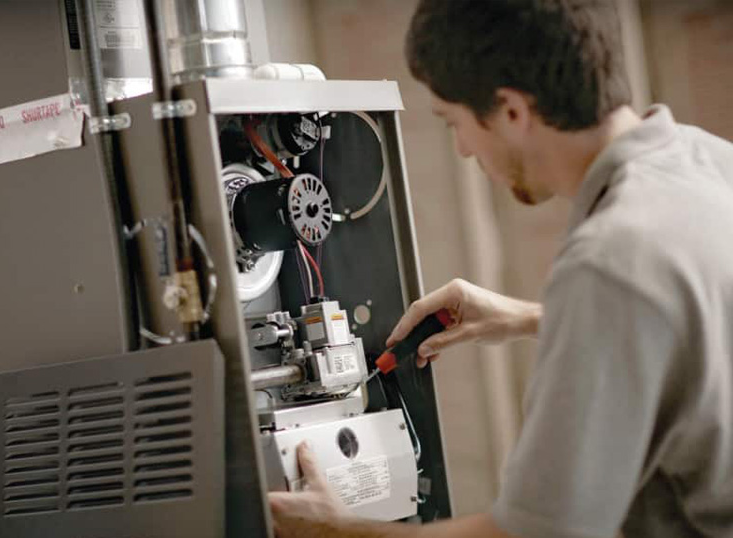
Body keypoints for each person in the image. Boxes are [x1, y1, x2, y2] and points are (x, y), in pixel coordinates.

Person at [268, 0, 733, 537]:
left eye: (456, 123)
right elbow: (694, 326)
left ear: (511, 110)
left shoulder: (609, 265)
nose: (465, 150)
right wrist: (541, 317)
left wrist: (330, 530)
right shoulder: (712, 163)